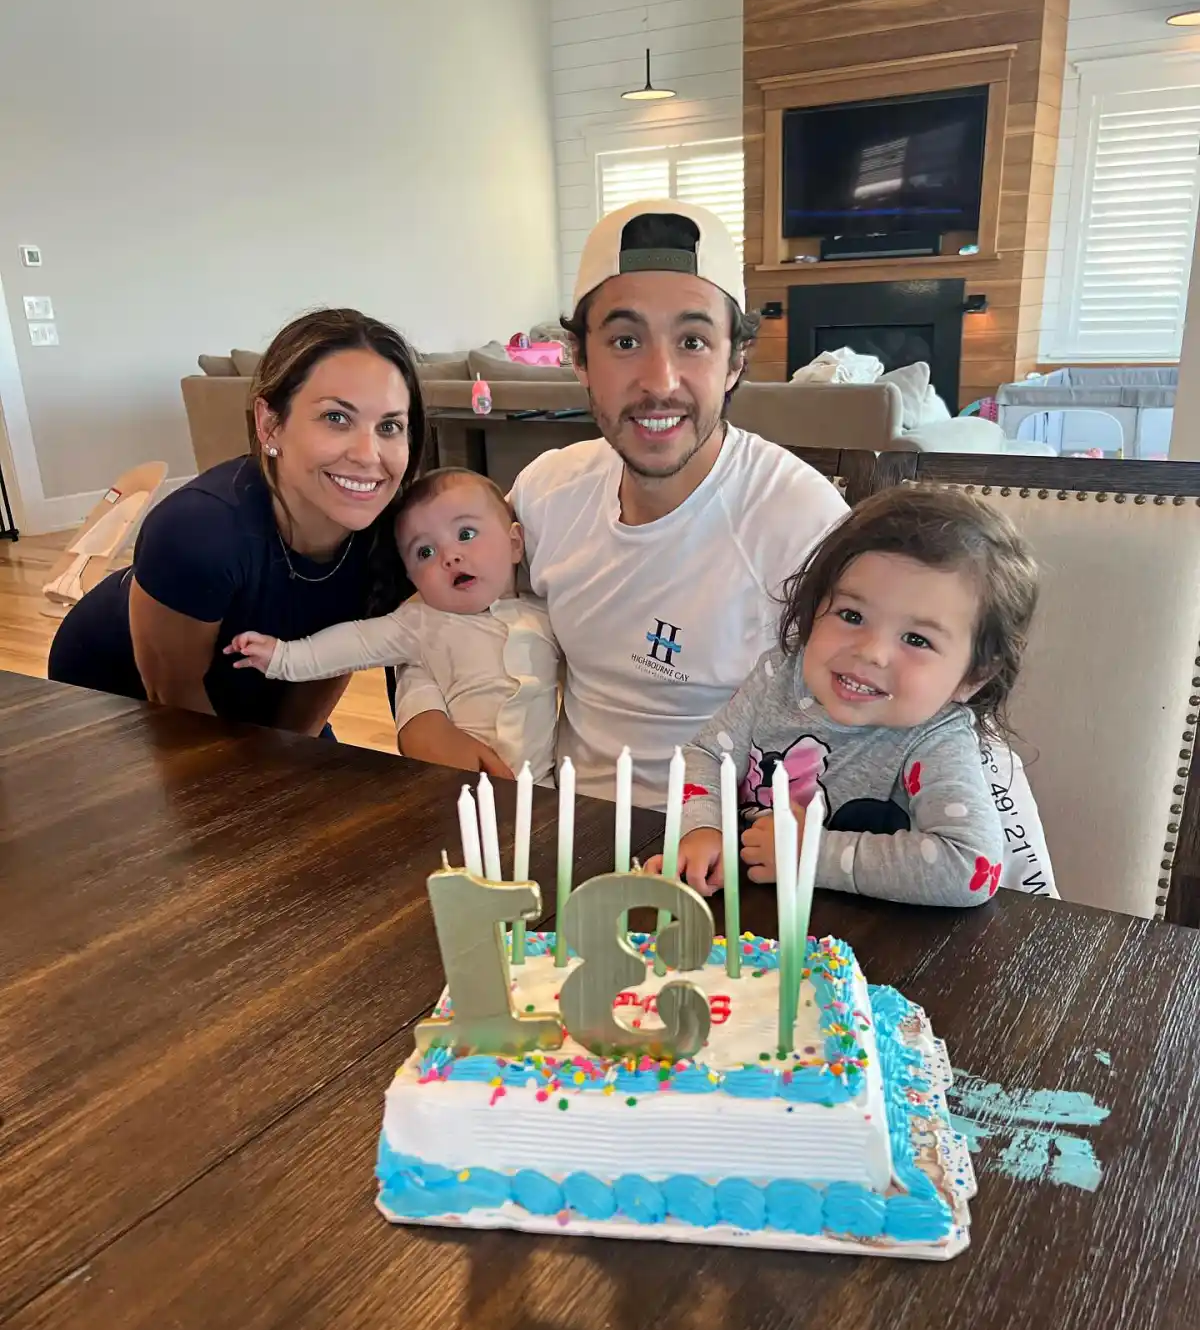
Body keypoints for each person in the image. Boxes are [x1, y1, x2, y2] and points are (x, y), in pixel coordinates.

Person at [398, 199, 848, 806]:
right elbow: (443, 605)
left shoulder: (802, 521)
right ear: (579, 359)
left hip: (724, 841)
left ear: (735, 362)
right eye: (626, 340)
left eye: (693, 341)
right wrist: (421, 713)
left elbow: (866, 715)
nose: (659, 381)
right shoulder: (547, 491)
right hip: (557, 823)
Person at [48, 308, 425, 735]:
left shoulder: (395, 535)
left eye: (390, 426)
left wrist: (291, 753)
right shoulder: (198, 532)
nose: (368, 455)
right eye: (336, 418)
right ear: (270, 424)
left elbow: (336, 658)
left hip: (258, 690)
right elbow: (174, 696)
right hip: (115, 694)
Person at [661, 486, 1040, 906]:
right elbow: (707, 755)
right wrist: (703, 828)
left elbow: (969, 867)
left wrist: (812, 854)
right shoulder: (779, 675)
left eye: (917, 639)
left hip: (875, 936)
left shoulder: (937, 740)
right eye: (851, 615)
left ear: (973, 676)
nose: (871, 652)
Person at [226, 467, 558, 781]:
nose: (450, 556)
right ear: (413, 578)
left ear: (515, 544)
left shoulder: (547, 615)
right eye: (425, 552)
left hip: (545, 787)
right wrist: (283, 656)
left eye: (466, 534)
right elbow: (355, 642)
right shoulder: (419, 623)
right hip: (458, 787)